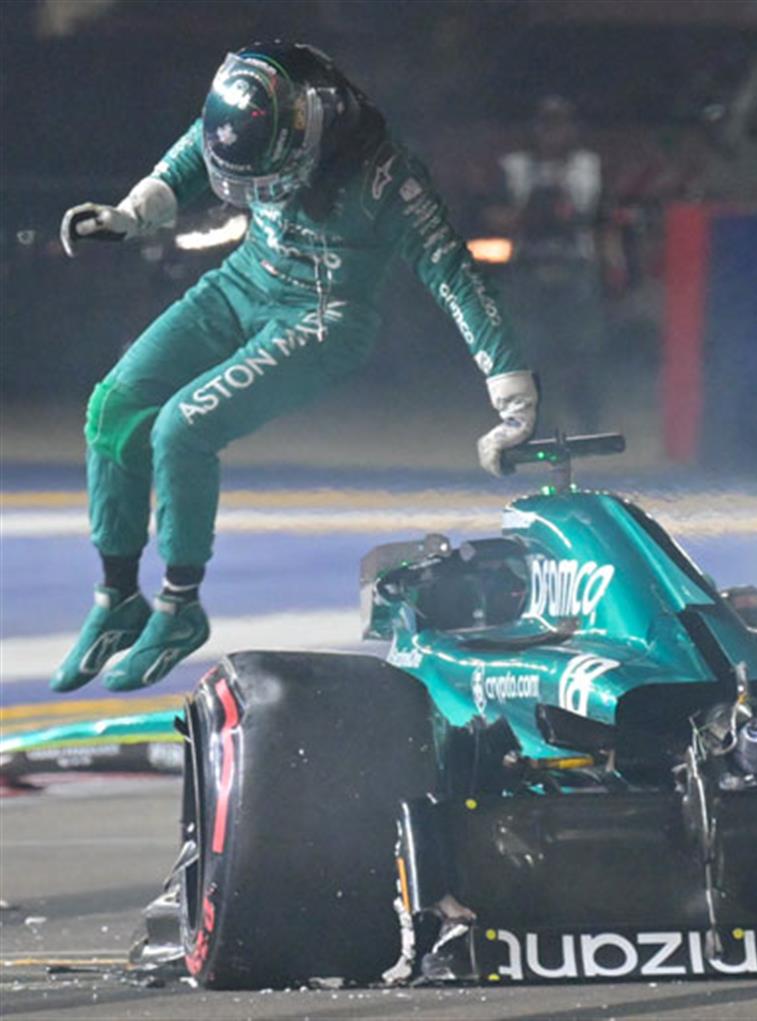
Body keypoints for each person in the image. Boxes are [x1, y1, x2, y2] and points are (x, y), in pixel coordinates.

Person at [53, 42, 538, 694]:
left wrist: (511, 390)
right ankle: (118, 597)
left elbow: (454, 273)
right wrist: (132, 214)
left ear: (315, 132)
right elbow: (200, 148)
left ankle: (179, 604)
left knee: (180, 429)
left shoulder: (388, 179)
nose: (258, 195)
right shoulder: (260, 113)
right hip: (243, 281)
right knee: (113, 405)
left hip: (322, 318)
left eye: (268, 179)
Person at [487, 96, 605, 433]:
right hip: (529, 269)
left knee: (582, 350)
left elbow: (601, 217)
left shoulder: (588, 167)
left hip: (575, 267)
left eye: (560, 125)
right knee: (530, 352)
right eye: (547, 125)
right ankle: (536, 422)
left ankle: (586, 422)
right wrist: (525, 216)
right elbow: (491, 213)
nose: (553, 134)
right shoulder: (515, 168)